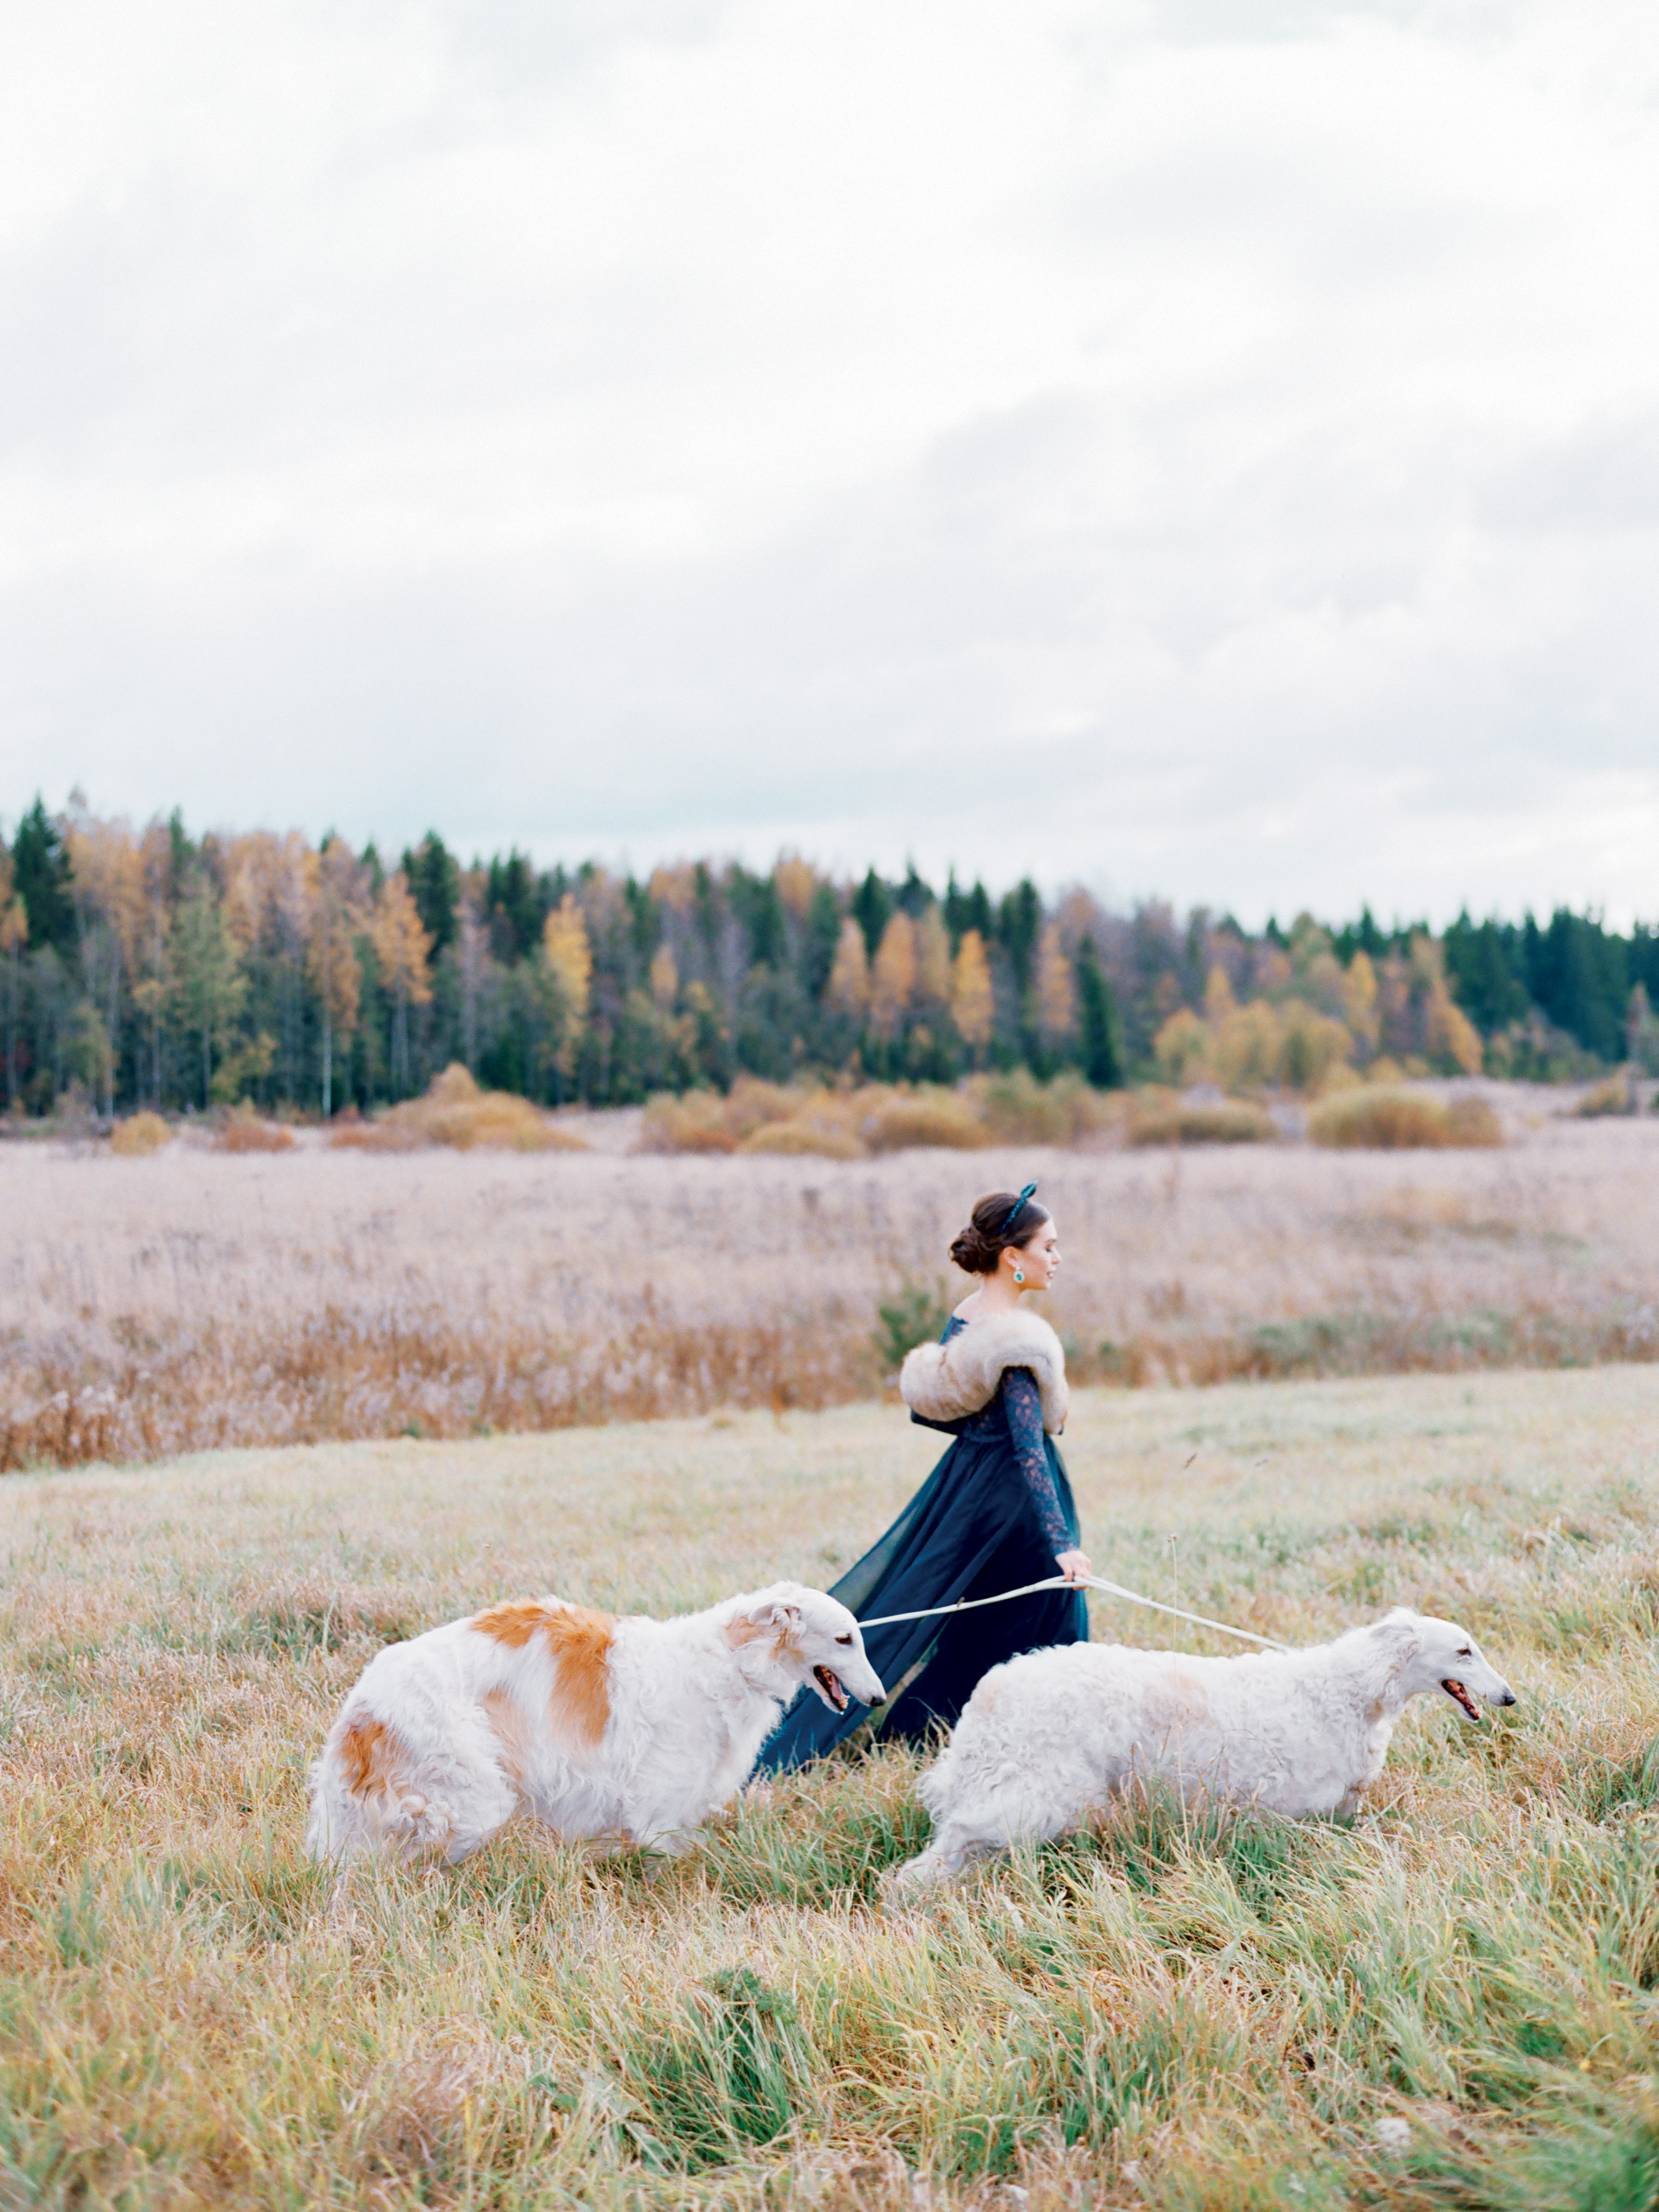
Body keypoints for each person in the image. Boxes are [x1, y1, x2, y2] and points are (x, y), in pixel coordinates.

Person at [755, 1183, 1090, 1773]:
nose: (1057, 1258)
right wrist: (1062, 1544)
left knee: (975, 1627)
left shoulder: (965, 1317)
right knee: (1042, 1624)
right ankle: (1023, 1737)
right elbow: (1026, 1444)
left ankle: (920, 1734)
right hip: (1016, 1504)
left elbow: (944, 1411)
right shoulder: (1014, 1337)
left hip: (970, 1488)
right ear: (1013, 1256)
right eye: (1049, 1246)